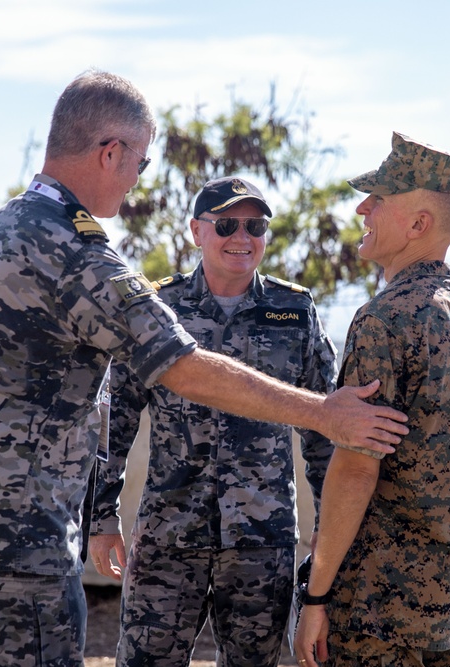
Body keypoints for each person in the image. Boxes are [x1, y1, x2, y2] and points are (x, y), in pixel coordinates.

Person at [0, 69, 410, 667]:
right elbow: (181, 368)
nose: (137, 180)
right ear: (111, 153)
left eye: (255, 225)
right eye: (141, 164)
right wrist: (324, 413)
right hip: (17, 541)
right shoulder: (76, 253)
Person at [89, 176, 337, 666]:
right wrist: (100, 517)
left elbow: (324, 435)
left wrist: (327, 539)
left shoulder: (295, 312)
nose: (241, 237)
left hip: (260, 542)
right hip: (168, 535)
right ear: (195, 232)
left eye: (255, 225)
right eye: (225, 224)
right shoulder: (159, 307)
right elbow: (112, 417)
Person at [292, 132, 450, 667]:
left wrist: (316, 595)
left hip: (374, 607)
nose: (362, 208)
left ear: (418, 224)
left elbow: (355, 468)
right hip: (447, 604)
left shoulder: (385, 319)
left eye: (380, 199)